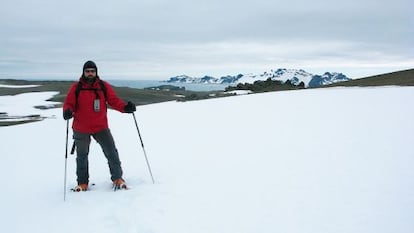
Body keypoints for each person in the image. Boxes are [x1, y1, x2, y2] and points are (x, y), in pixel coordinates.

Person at [63, 60, 136, 191]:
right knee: (82, 157)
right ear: (83, 72)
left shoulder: (103, 86)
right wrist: (67, 111)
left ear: (96, 72)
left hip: (100, 126)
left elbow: (114, 100)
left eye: (92, 71)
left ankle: (117, 178)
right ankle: (82, 183)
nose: (90, 73)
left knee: (111, 152)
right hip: (81, 128)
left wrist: (125, 108)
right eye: (87, 71)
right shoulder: (77, 87)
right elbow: (69, 103)